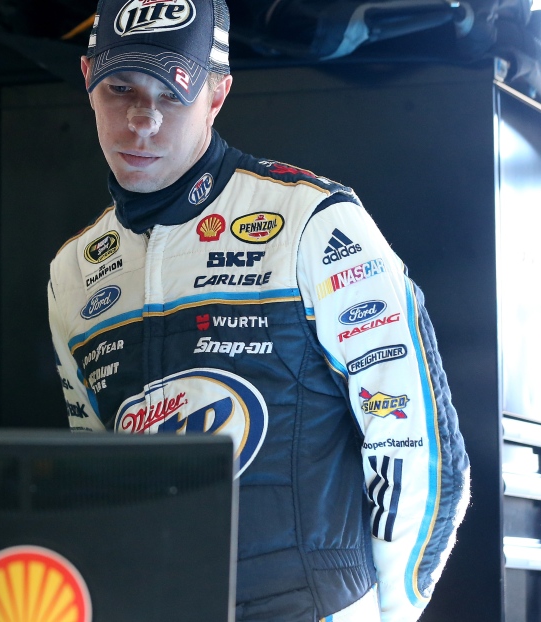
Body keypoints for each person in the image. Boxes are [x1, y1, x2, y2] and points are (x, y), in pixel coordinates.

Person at [47, 1, 470, 620]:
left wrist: (390, 612)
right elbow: (93, 482)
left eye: (172, 93)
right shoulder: (72, 274)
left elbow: (423, 448)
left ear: (217, 95)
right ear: (88, 80)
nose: (143, 120)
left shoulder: (314, 223)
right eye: (121, 89)